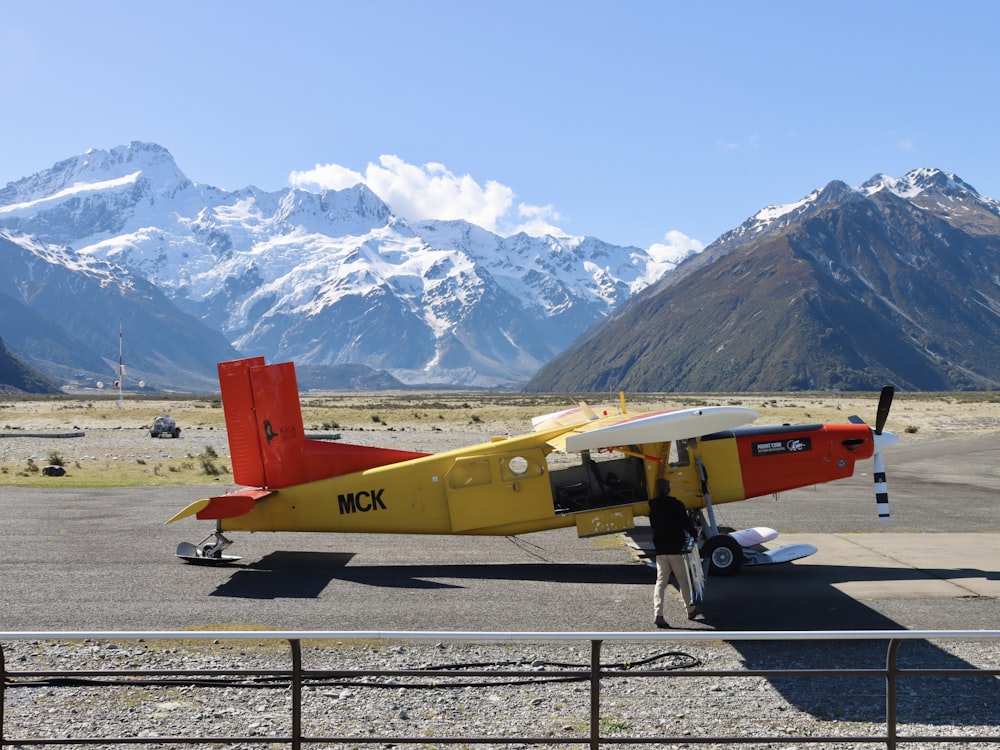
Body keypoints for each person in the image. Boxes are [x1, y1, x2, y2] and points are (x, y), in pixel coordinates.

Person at [648, 478, 700, 628]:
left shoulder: (653, 507)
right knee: (683, 580)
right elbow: (685, 522)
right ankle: (689, 609)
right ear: (669, 489)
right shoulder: (677, 505)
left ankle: (658, 613)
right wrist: (695, 534)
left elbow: (653, 526)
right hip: (675, 548)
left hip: (660, 548)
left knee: (661, 581)